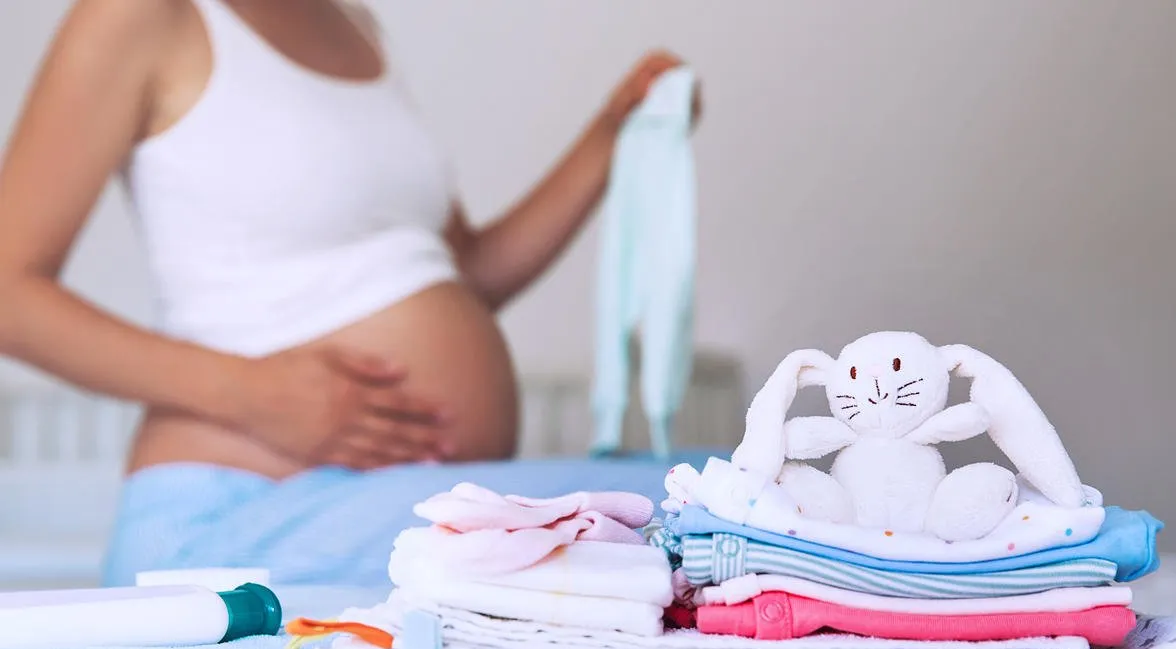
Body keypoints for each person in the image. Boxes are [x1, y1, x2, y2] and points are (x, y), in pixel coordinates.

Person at [0, 0, 701, 586]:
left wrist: (611, 136)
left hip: (369, 501)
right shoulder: (142, 13)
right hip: (235, 517)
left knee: (705, 500)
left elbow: (461, 275)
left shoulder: (352, 23)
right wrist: (248, 391)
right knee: (699, 510)